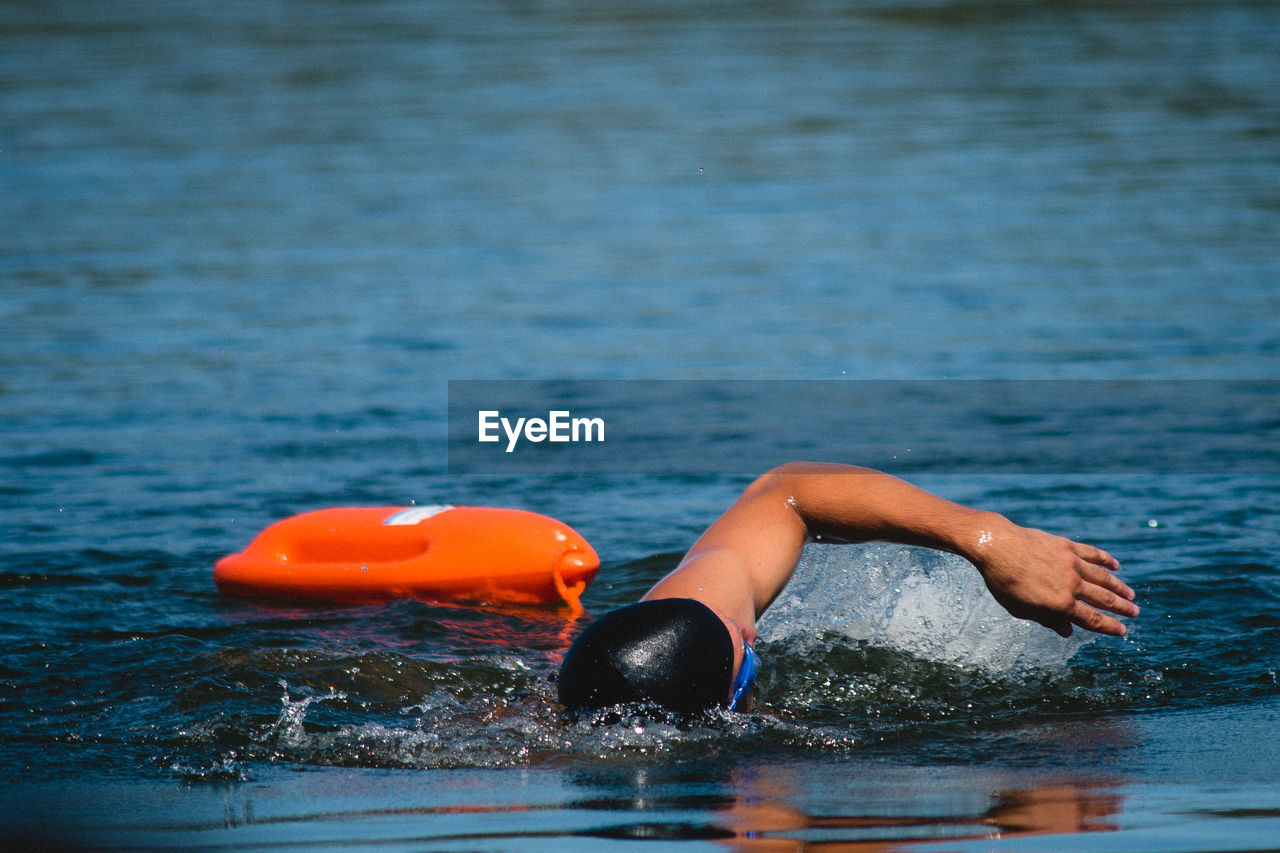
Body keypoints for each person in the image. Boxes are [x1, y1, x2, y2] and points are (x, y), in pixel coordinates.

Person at [557, 462, 1139, 714]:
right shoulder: (749, 810)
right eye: (740, 647)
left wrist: (990, 541)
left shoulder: (656, 646)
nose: (744, 627)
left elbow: (787, 492)